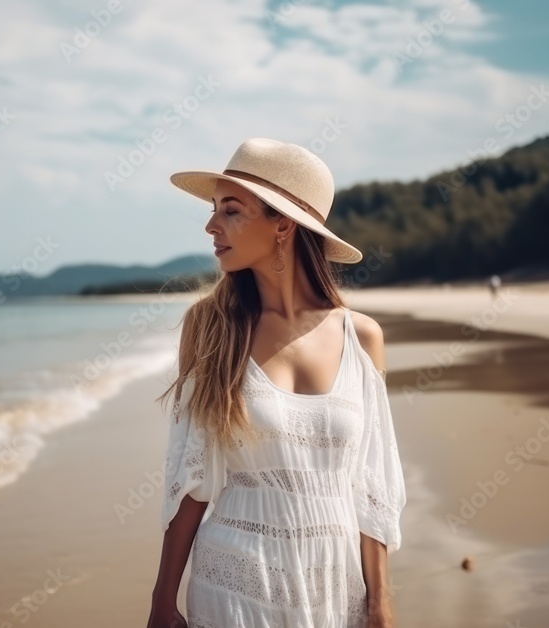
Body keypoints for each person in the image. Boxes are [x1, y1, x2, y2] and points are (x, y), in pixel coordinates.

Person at [147, 138, 406, 628]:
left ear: (283, 224)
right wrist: (163, 600)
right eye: (214, 209)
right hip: (233, 580)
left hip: (334, 584)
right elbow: (191, 477)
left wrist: (380, 601)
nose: (211, 225)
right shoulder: (210, 327)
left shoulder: (361, 338)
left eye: (231, 210)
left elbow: (373, 484)